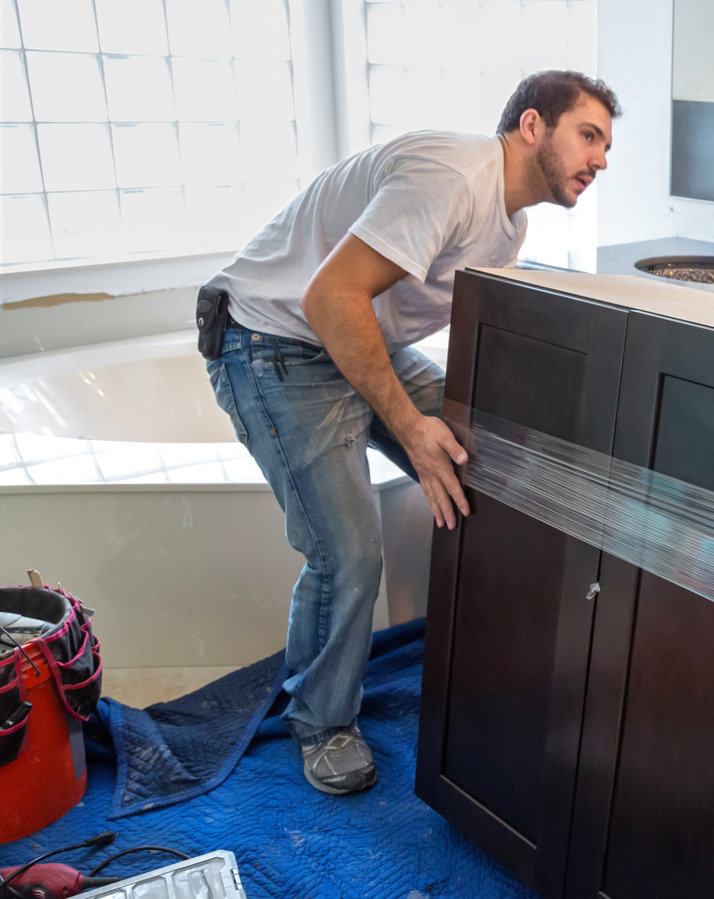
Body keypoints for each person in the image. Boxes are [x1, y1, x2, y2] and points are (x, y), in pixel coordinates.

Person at [200, 71, 618, 795]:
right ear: (532, 126)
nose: (602, 160)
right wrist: (411, 429)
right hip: (272, 342)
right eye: (589, 136)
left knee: (487, 457)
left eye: (607, 146)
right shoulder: (452, 177)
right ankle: (321, 721)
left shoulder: (510, 225)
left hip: (350, 336)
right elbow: (329, 297)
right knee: (348, 552)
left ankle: (493, 660)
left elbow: (469, 343)